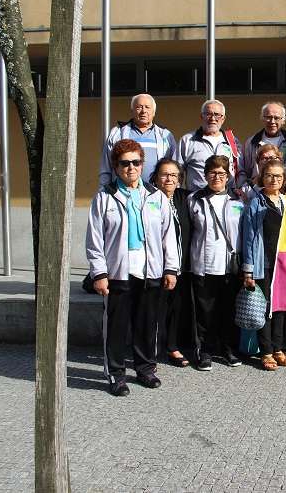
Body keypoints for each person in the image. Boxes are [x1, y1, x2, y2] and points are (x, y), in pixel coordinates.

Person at [86, 139, 178, 396]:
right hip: (118, 271)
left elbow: (168, 235)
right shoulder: (104, 197)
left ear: (142, 164)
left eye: (136, 162)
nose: (131, 168)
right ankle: (115, 374)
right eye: (125, 163)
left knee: (147, 324)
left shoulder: (155, 196)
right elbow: (94, 239)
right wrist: (99, 273)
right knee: (116, 327)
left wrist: (171, 269)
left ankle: (145, 369)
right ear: (115, 167)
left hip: (150, 271)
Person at [187, 155, 245, 371]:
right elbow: (190, 230)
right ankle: (205, 351)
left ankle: (229, 348)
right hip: (203, 264)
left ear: (229, 176)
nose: (217, 177)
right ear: (205, 175)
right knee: (204, 311)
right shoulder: (194, 199)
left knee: (228, 310)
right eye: (212, 173)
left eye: (222, 173)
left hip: (230, 265)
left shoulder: (238, 200)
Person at [242, 159, 286, 371]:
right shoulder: (256, 202)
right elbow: (248, 236)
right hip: (263, 263)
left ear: (284, 179)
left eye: (278, 176)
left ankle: (279, 348)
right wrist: (248, 269)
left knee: (279, 307)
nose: (274, 179)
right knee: (264, 309)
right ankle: (266, 351)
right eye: (270, 175)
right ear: (262, 177)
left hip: (283, 264)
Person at [150, 159, 194, 368]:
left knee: (176, 308)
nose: (169, 179)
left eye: (173, 175)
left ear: (180, 180)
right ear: (156, 177)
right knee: (154, 308)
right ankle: (150, 350)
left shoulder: (185, 198)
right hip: (155, 266)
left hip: (181, 266)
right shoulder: (149, 199)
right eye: (164, 174)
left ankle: (172, 346)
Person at [98, 93, 176, 187]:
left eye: (147, 107)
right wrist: (104, 190)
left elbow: (174, 168)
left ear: (154, 112)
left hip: (156, 193)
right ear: (132, 111)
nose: (143, 111)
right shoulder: (117, 133)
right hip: (123, 192)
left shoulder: (165, 135)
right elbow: (106, 167)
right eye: (139, 107)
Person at [174, 99, 242, 193]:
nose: (213, 118)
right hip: (196, 200)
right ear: (201, 116)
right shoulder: (187, 140)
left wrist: (240, 190)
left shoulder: (233, 141)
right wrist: (177, 196)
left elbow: (240, 171)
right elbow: (176, 172)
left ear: (223, 118)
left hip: (227, 199)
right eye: (208, 114)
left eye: (217, 114)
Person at [239, 101, 286, 194]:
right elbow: (245, 170)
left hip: (285, 192)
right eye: (268, 117)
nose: (272, 121)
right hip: (257, 192)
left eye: (276, 118)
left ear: (283, 120)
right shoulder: (251, 142)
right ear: (262, 118)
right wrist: (243, 189)